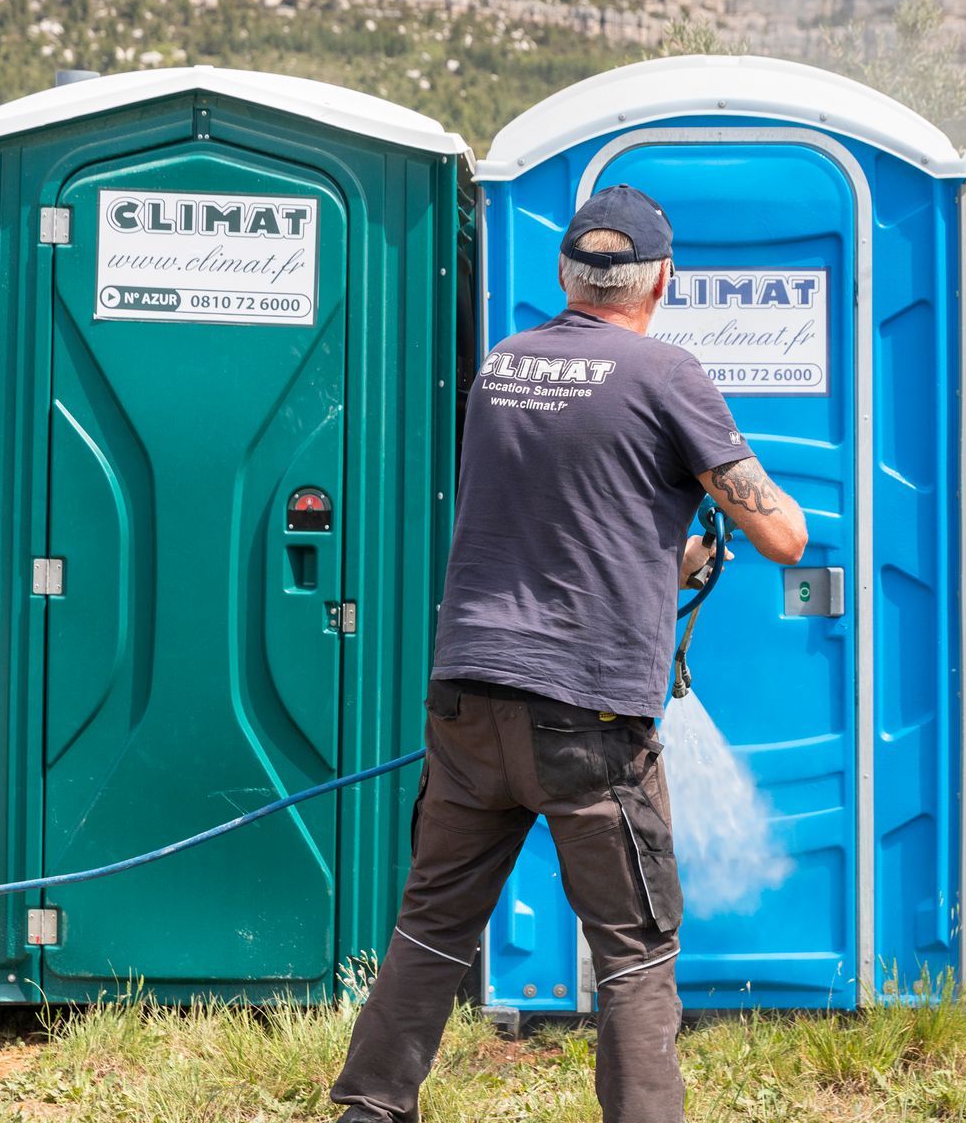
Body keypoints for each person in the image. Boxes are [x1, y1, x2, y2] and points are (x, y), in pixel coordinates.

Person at [331, 184, 809, 1122]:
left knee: (432, 924)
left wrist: (666, 558)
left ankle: (368, 1109)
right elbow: (784, 536)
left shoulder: (504, 366)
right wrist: (748, 523)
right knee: (634, 952)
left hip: (468, 698)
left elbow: (551, 519)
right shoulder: (668, 375)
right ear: (663, 281)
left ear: (566, 276)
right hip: (586, 716)